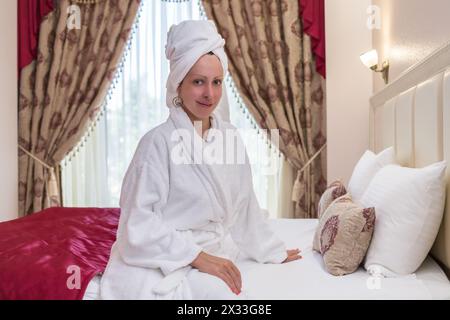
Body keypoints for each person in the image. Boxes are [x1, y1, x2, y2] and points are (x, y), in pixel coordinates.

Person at [100, 20, 301, 300]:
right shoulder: (156, 143)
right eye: (198, 82)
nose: (210, 94)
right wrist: (196, 256)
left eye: (217, 82)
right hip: (174, 254)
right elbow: (138, 223)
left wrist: (272, 251)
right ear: (178, 85)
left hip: (214, 248)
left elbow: (245, 205)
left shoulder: (229, 137)